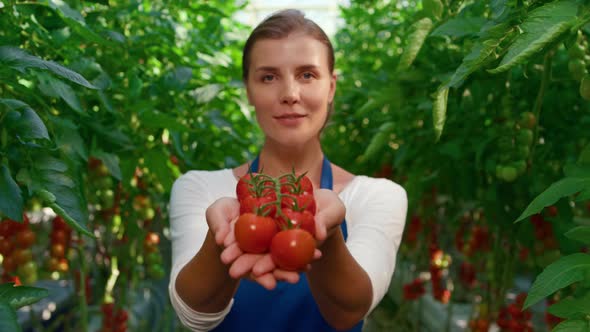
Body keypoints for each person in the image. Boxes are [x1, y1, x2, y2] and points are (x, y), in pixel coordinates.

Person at [168, 9, 408, 332]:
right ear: (249, 90)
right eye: (268, 77)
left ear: (332, 87)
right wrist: (220, 240)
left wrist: (327, 235)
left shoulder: (377, 196)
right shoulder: (199, 189)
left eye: (307, 75)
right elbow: (194, 314)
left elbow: (349, 311)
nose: (290, 95)